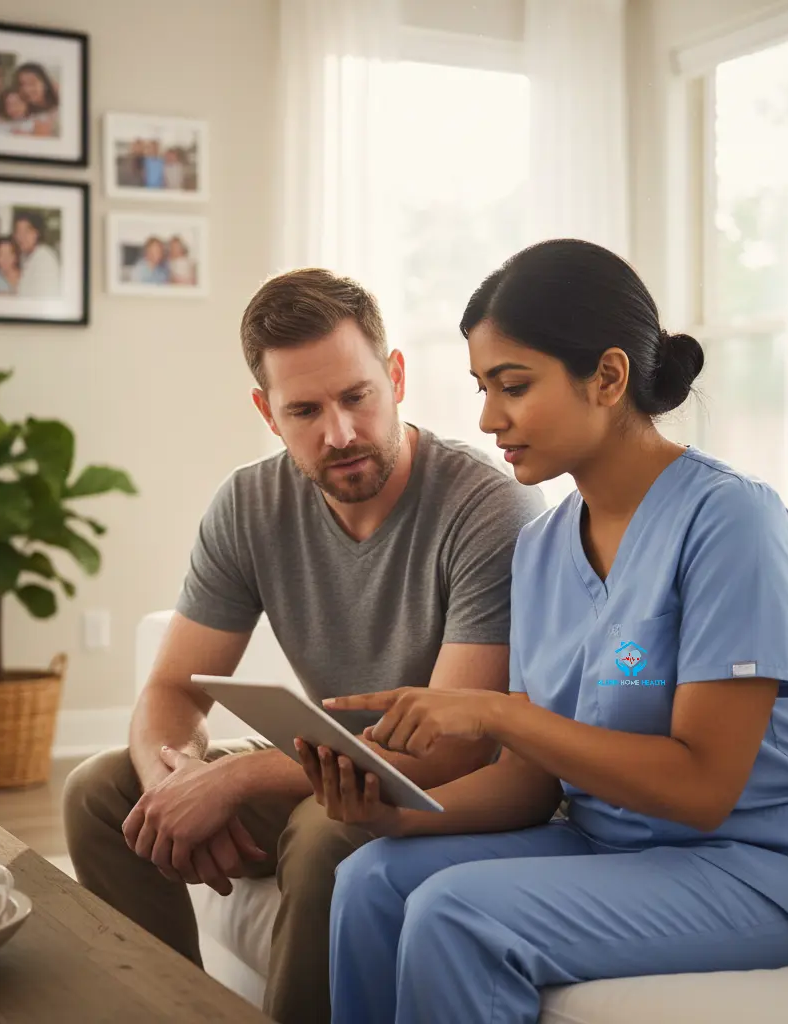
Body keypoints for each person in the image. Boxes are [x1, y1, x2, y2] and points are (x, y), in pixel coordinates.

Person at [299, 239, 788, 1024]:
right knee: (371, 879)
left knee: (455, 913)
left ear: (608, 377)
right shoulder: (542, 547)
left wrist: (497, 713)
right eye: (482, 388)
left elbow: (704, 787)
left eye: (513, 386)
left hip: (767, 870)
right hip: (612, 849)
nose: (488, 418)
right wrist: (394, 815)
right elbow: (531, 782)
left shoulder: (733, 521)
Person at [62, 267, 547, 1023]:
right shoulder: (249, 503)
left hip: (439, 793)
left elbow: (453, 751)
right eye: (305, 410)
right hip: (324, 765)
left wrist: (239, 778)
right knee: (100, 792)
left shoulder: (488, 508)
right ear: (267, 412)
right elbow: (173, 689)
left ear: (396, 377)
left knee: (327, 834)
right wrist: (171, 784)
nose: (340, 433)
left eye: (357, 397)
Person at [12, 212, 61, 297]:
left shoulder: (45, 258)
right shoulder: (24, 256)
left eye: (27, 231)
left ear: (37, 233)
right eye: (18, 231)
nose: (21, 236)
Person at [14, 62, 60, 136]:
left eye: (32, 83)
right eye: (22, 84)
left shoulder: (62, 105)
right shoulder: (23, 115)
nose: (26, 89)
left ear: (45, 84)